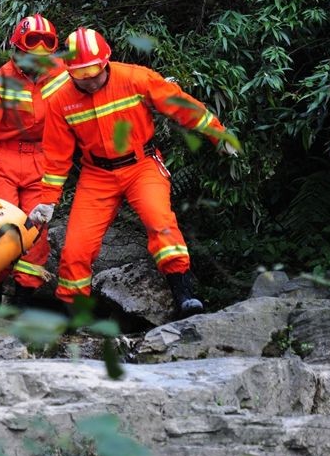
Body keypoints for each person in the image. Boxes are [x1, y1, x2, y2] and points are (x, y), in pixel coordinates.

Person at [29, 27, 239, 317]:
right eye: (81, 76)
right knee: (76, 247)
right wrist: (48, 200)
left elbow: (181, 106)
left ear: (105, 62)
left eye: (94, 74)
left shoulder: (135, 78)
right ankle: (72, 316)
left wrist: (218, 134)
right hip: (96, 175)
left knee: (160, 222)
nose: (89, 82)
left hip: (142, 166)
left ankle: (184, 296)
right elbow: (56, 156)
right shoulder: (60, 100)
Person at [0, 14, 70, 305]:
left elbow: (95, 80)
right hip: (5, 159)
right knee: (3, 228)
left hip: (43, 160)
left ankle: (24, 299)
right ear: (17, 50)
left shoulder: (63, 74)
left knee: (36, 232)